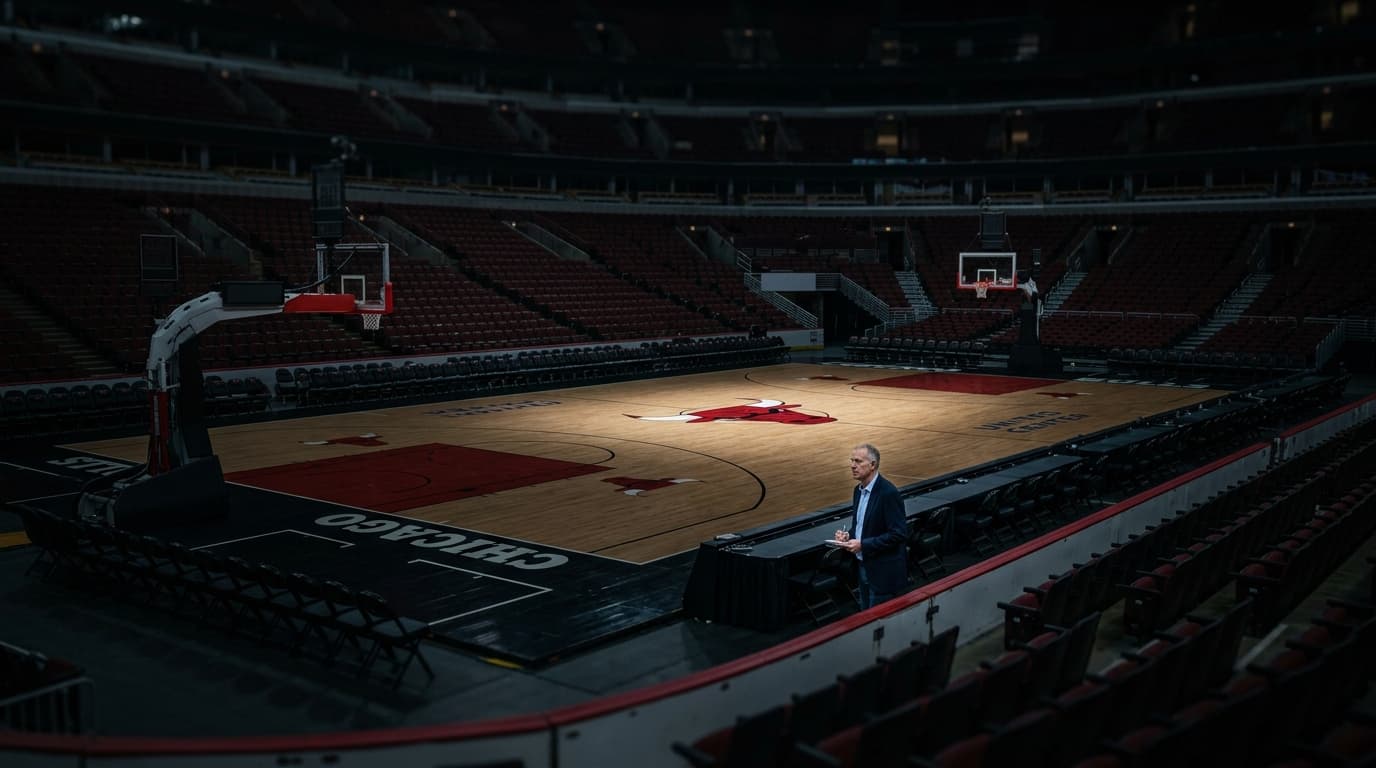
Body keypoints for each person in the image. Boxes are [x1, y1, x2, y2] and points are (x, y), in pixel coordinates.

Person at [834, 443, 908, 609]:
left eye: (858, 461)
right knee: (865, 621)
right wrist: (849, 536)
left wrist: (862, 544)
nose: (852, 465)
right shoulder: (857, 491)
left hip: (883, 573)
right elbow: (863, 527)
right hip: (864, 567)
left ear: (873, 465)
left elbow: (899, 534)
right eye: (852, 460)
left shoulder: (888, 493)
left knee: (880, 626)